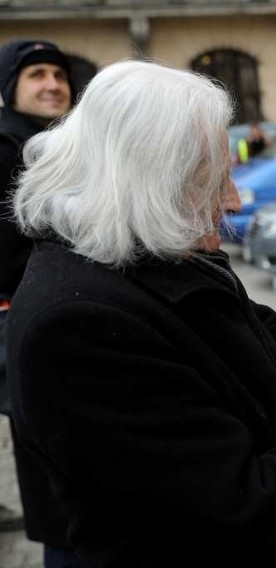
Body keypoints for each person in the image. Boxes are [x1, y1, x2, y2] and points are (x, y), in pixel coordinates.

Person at [4, 60, 276, 568]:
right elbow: (243, 505)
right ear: (148, 179)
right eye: (212, 180)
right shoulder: (78, 326)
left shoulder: (143, 256)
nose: (231, 201)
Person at [0, 38, 73, 556]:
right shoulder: (5, 147)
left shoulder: (68, 144)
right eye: (36, 74)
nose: (52, 84)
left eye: (59, 74)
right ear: (10, 88)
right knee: (60, 487)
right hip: (36, 330)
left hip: (78, 326)